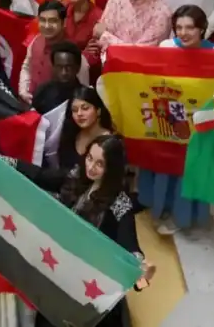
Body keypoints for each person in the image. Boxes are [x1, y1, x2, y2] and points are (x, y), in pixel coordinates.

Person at [32, 135, 154, 327]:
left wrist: (142, 274)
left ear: (111, 169)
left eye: (99, 164)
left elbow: (130, 248)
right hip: (60, 268)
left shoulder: (119, 203)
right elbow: (38, 175)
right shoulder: (75, 176)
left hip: (91, 283)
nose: (90, 167)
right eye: (89, 158)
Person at [139, 5, 214, 236]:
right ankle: (160, 206)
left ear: (202, 28)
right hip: (168, 115)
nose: (183, 33)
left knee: (188, 171)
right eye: (179, 28)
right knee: (165, 166)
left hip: (199, 121)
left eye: (190, 28)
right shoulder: (165, 47)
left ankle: (182, 216)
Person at [31, 41, 86, 115]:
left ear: (78, 67)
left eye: (68, 67)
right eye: (59, 67)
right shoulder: (42, 92)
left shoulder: (85, 95)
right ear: (53, 67)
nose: (64, 72)